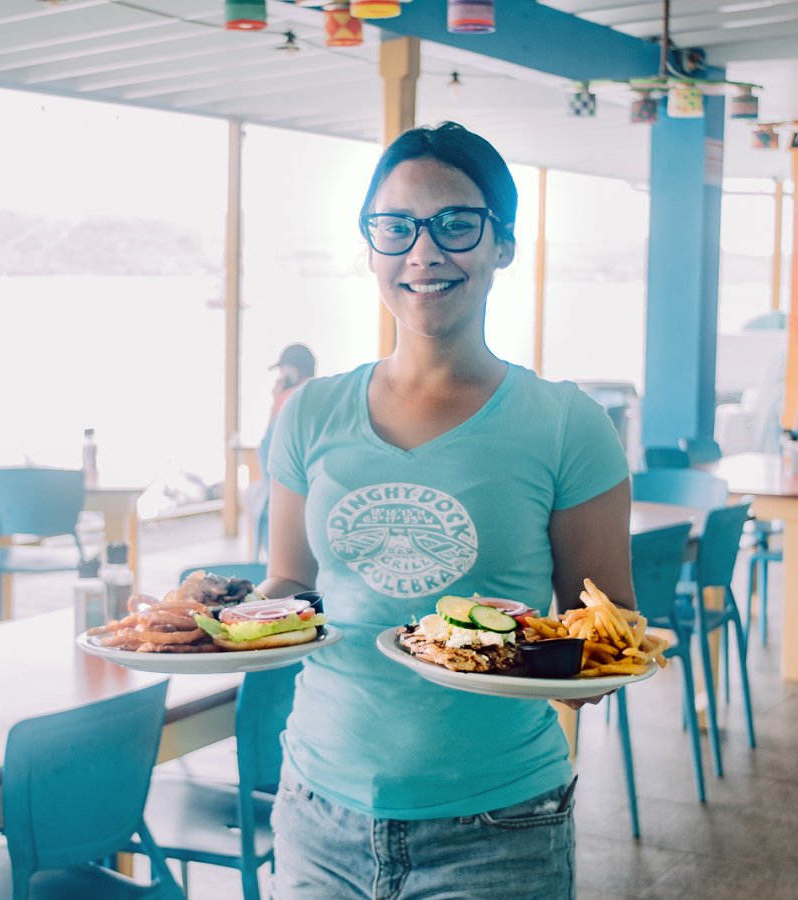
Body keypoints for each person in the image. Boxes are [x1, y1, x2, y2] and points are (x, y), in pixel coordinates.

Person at [261, 122, 633, 899]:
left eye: (456, 224)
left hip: (498, 823)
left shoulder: (567, 424)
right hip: (317, 807)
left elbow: (607, 635)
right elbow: (291, 589)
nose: (422, 253)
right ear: (369, 248)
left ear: (504, 245)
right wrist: (210, 633)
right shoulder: (308, 414)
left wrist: (538, 663)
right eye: (395, 228)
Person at [252, 343, 317, 559]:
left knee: (262, 510)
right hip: (313, 494)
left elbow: (269, 454)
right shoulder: (320, 392)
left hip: (288, 494)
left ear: (292, 370)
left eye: (282, 370)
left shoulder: (289, 397)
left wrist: (274, 401)